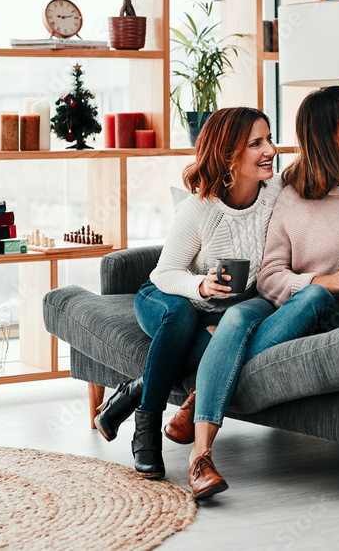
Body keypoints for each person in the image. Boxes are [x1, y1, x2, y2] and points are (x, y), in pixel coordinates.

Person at [184, 85, 339, 498]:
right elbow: (269, 277)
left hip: (336, 316)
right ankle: (201, 457)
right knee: (239, 315)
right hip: (280, 307)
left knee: (318, 299)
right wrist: (323, 282)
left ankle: (204, 387)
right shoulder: (292, 196)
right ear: (327, 134)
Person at [92, 107, 281, 481]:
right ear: (228, 155)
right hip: (165, 295)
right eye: (256, 143)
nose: (270, 150)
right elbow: (165, 273)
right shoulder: (198, 209)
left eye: (270, 139)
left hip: (218, 311)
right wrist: (201, 285)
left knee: (215, 342)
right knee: (181, 315)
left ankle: (133, 391)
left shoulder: (276, 194)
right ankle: (146, 434)